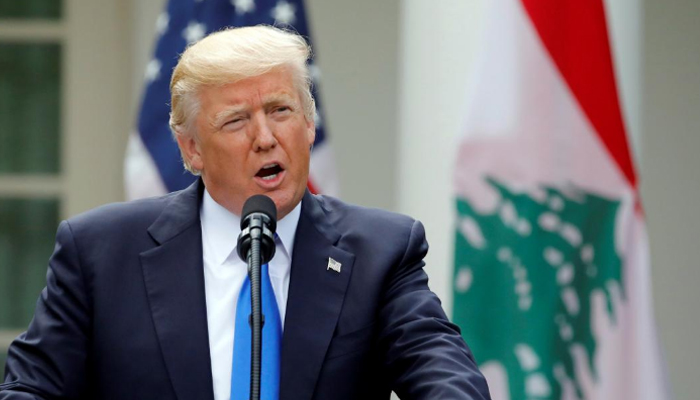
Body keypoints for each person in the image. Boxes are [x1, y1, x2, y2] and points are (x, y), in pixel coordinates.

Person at [0, 26, 491, 400]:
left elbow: (445, 378)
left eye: (280, 110)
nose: (265, 138)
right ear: (192, 149)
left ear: (309, 124)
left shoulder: (381, 253)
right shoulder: (100, 253)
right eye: (236, 121)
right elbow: (29, 390)